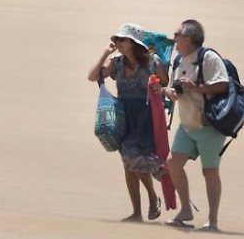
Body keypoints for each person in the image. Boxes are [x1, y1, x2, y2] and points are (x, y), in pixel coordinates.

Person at [87, 23, 170, 222]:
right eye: (116, 39)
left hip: (145, 115)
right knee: (128, 163)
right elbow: (92, 77)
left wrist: (156, 85)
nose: (117, 43)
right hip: (123, 115)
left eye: (121, 40)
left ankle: (151, 195)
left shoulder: (152, 62)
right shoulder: (115, 62)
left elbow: (165, 82)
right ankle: (138, 211)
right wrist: (104, 55)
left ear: (133, 42)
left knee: (133, 158)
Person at [162, 20, 229, 232]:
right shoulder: (179, 59)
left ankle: (213, 221)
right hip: (187, 124)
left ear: (189, 39)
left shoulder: (208, 58)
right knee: (173, 163)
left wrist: (197, 88)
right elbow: (175, 89)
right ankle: (185, 211)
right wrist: (168, 92)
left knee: (209, 172)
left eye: (177, 34)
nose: (173, 38)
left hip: (209, 125)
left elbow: (222, 84)